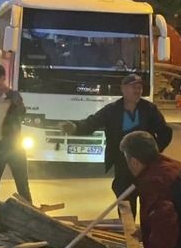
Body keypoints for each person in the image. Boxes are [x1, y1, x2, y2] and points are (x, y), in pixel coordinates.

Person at [61, 73, 172, 217]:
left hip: (145, 167)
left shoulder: (149, 110)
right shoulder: (112, 110)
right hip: (123, 165)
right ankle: (127, 234)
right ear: (123, 89)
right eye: (133, 87)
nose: (137, 90)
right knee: (125, 203)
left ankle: (146, 236)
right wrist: (75, 127)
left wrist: (153, 153)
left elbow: (165, 132)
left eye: (139, 87)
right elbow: (92, 122)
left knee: (149, 204)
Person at [0, 63, 32, 203]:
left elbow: (19, 116)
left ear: (3, 77)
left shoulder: (14, 97)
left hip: (14, 149)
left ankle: (30, 217)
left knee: (23, 187)